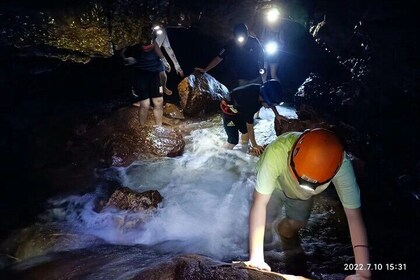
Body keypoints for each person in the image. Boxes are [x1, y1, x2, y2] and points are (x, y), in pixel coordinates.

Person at [244, 128, 371, 280]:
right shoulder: (277, 151)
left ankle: (281, 231)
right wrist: (256, 259)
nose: (301, 184)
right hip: (274, 187)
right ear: (291, 155)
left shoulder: (340, 164)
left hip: (301, 197)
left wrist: (363, 272)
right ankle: (266, 240)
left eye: (313, 184)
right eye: (300, 179)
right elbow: (259, 203)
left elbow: (353, 216)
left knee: (294, 226)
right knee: (265, 223)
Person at [220, 79, 288, 155]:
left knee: (245, 133)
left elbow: (271, 102)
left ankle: (243, 152)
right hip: (229, 110)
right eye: (270, 104)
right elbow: (250, 127)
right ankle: (221, 156)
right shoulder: (250, 104)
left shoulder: (262, 90)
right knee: (233, 141)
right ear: (264, 99)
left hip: (240, 109)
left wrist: (277, 115)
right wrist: (255, 145)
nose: (270, 107)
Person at [120, 25, 170, 126]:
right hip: (141, 75)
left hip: (155, 74)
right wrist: (126, 59)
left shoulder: (154, 42)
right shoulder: (134, 43)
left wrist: (166, 62)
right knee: (145, 104)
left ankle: (159, 127)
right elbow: (122, 53)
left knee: (159, 101)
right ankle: (142, 127)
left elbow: (158, 51)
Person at [196, 23, 265, 87]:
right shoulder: (231, 45)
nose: (241, 41)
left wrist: (262, 68)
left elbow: (262, 55)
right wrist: (205, 70)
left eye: (244, 38)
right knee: (244, 97)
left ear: (247, 35)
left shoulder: (254, 42)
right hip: (242, 79)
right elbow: (219, 58)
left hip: (256, 76)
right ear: (234, 37)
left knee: (261, 96)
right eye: (238, 38)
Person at [153, 26, 184, 95]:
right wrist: (164, 61)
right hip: (144, 55)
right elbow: (154, 45)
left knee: (162, 75)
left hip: (156, 56)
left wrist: (177, 66)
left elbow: (168, 48)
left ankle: (161, 90)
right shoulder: (151, 29)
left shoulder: (163, 31)